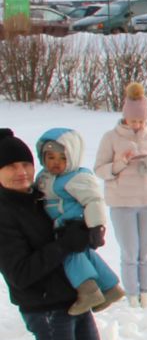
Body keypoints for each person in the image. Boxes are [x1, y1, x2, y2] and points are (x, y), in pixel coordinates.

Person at [0, 129, 106, 340]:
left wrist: (88, 233)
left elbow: (71, 220)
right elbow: (20, 272)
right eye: (10, 166)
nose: (21, 172)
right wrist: (65, 244)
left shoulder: (40, 195)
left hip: (72, 301)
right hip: (44, 309)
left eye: (25, 163)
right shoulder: (4, 212)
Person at [95, 82, 147, 308]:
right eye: (134, 120)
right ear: (125, 117)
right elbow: (100, 169)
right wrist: (120, 164)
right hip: (122, 203)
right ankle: (132, 293)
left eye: (142, 121)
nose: (138, 125)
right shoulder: (111, 137)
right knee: (130, 252)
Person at [34, 128, 123, 314]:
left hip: (72, 225)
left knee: (69, 255)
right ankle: (110, 288)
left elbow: (93, 200)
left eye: (62, 158)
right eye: (51, 158)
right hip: (58, 224)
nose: (56, 163)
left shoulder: (77, 177)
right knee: (86, 255)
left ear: (72, 157)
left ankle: (88, 291)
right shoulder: (43, 177)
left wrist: (96, 227)